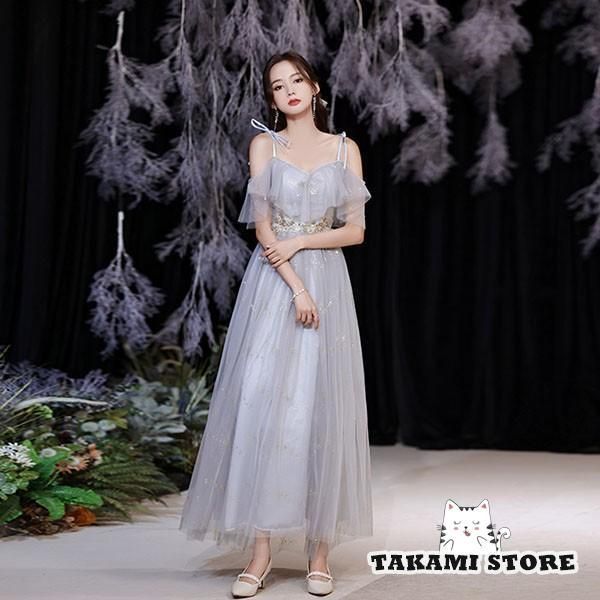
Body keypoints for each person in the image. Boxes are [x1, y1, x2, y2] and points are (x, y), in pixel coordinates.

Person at [179, 50, 373, 598]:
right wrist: (296, 286)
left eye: (297, 80)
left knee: (320, 408)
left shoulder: (345, 149)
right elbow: (264, 229)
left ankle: (319, 552)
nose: (288, 90)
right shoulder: (265, 145)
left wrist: (303, 241)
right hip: (275, 283)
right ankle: (260, 552)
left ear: (314, 88)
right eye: (277, 85)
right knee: (263, 404)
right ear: (271, 98)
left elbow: (355, 231)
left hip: (327, 281)